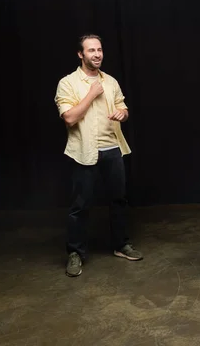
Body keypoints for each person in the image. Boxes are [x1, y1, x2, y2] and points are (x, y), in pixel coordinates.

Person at [54, 34, 143, 278]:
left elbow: (122, 107)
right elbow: (70, 118)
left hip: (113, 149)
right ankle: (75, 253)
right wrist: (92, 94)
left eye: (100, 50)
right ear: (80, 54)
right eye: (91, 50)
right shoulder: (68, 83)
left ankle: (121, 245)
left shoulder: (111, 81)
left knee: (119, 201)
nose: (97, 54)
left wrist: (122, 115)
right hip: (84, 152)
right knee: (80, 206)